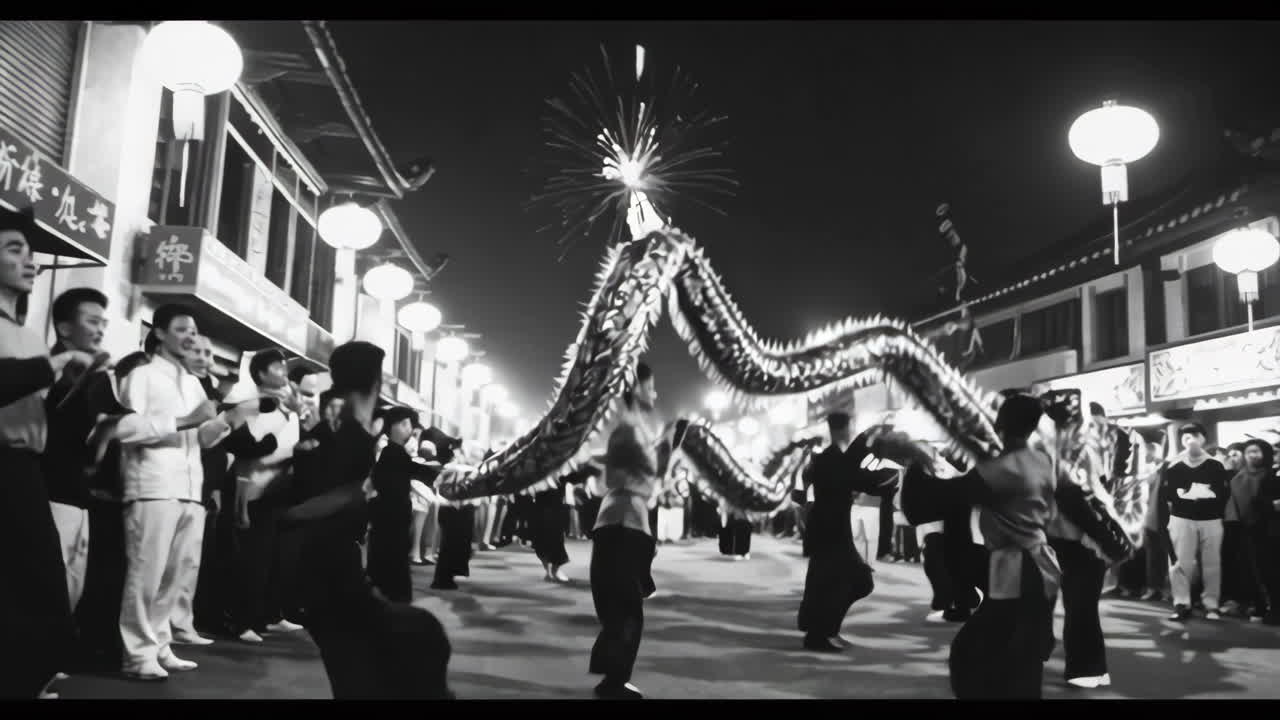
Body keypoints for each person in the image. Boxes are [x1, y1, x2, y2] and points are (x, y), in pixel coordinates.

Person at [282, 341, 452, 698]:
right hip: (326, 565)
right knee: (399, 644)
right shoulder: (347, 431)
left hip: (325, 563)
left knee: (363, 657)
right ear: (375, 381)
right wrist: (349, 496)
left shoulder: (338, 422)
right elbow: (318, 496)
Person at [0, 210, 102, 697]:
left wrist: (71, 385)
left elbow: (39, 412)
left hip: (25, 470)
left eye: (30, 251)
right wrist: (53, 365)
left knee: (40, 597)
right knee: (35, 594)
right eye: (13, 249)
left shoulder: (24, 332)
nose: (29, 261)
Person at [901, 393, 1060, 699]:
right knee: (1019, 655)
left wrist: (916, 461)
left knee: (976, 653)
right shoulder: (1040, 460)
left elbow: (941, 499)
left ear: (1000, 423)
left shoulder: (1004, 468)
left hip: (1015, 566)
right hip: (1040, 565)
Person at [117, 304, 229, 680]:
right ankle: (136, 653)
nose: (191, 337)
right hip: (152, 485)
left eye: (194, 331)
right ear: (160, 333)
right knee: (145, 576)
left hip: (188, 486)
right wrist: (186, 420)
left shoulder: (193, 382)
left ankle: (160, 644)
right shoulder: (142, 375)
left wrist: (225, 423)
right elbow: (126, 429)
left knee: (176, 574)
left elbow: (201, 438)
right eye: (182, 329)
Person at [589, 361, 671, 700]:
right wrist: (667, 446)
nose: (655, 392)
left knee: (621, 606)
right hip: (623, 522)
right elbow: (639, 476)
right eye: (651, 386)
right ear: (636, 387)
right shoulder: (629, 430)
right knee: (625, 609)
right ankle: (613, 682)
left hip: (625, 522)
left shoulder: (634, 429)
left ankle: (613, 677)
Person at [796, 413, 893, 652]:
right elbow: (856, 479)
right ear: (844, 428)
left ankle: (824, 632)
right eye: (852, 427)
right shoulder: (831, 458)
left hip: (831, 528)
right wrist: (885, 479)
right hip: (829, 530)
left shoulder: (834, 457)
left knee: (830, 582)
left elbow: (855, 475)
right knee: (855, 580)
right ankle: (820, 634)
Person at [1161, 423, 1230, 622]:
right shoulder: (1173, 464)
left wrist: (1209, 503)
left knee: (1212, 563)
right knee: (1180, 563)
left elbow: (1224, 493)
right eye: (1185, 436)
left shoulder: (1216, 464)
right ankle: (1181, 603)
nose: (1189, 439)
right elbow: (1166, 494)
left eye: (1194, 435)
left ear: (1203, 439)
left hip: (1211, 519)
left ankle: (1212, 604)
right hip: (1181, 518)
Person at [368, 406, 428, 602]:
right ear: (400, 425)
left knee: (390, 565)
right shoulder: (392, 453)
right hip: (391, 520)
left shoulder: (393, 452)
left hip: (390, 519)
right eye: (408, 425)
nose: (410, 431)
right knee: (392, 566)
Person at [1225, 439, 1272, 621]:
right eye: (1249, 452)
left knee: (1269, 570)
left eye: (1257, 451)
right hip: (1243, 530)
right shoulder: (1238, 478)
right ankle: (1258, 605)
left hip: (1268, 529)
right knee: (1250, 570)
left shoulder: (1270, 475)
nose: (1252, 455)